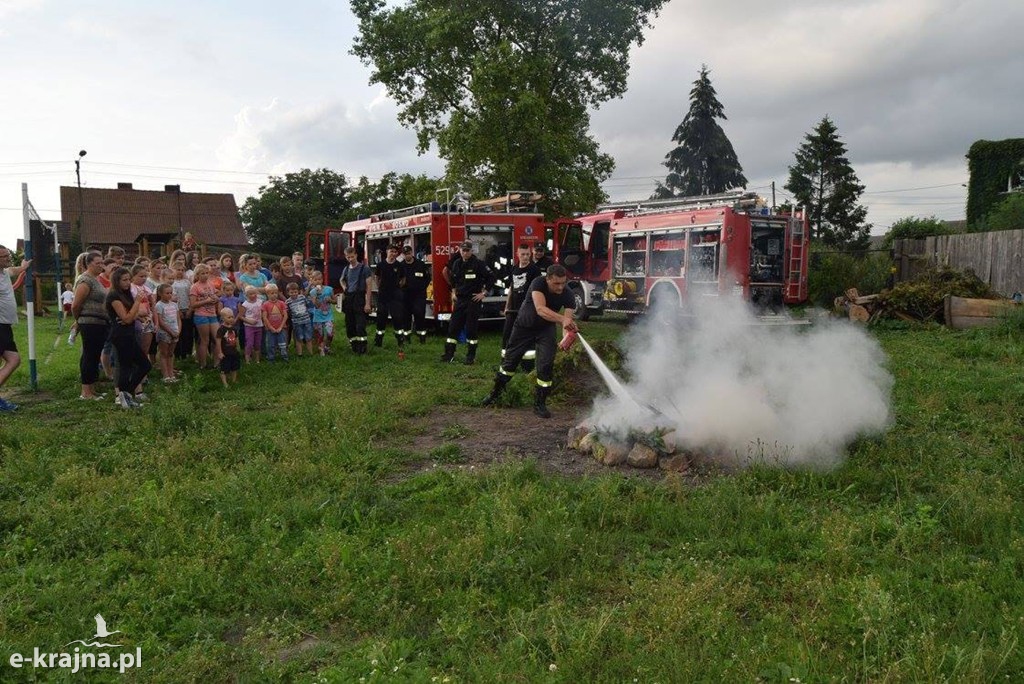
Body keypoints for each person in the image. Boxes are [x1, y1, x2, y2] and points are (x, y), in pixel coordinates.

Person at [483, 264, 577, 419]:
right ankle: (495, 394)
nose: (561, 287)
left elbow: (567, 321)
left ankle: (540, 403)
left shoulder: (568, 294)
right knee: (509, 363)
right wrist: (563, 319)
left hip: (545, 329)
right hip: (524, 326)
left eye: (563, 283)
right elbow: (540, 309)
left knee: (546, 365)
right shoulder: (538, 283)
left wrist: (566, 337)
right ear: (547, 279)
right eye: (556, 283)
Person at [105, 267, 153, 409]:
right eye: (124, 280)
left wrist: (139, 317)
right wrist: (138, 302)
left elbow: (130, 314)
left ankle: (127, 394)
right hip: (120, 335)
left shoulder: (126, 295)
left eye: (128, 280)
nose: (127, 283)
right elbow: (126, 318)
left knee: (144, 365)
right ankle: (125, 396)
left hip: (129, 334)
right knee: (125, 367)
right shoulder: (113, 296)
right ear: (117, 281)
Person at [441, 240, 492, 365]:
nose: (465, 252)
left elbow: (491, 277)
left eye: (467, 250)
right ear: (460, 251)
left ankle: (471, 356)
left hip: (473, 300)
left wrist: (484, 294)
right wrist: (453, 292)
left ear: (471, 251)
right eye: (463, 250)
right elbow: (453, 279)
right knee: (453, 327)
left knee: (471, 329)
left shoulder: (478, 264)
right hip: (460, 300)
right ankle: (449, 354)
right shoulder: (457, 263)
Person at [70, 251, 109, 401]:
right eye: (97, 263)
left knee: (94, 355)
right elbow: (76, 305)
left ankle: (92, 389)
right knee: (89, 355)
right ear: (88, 264)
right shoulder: (85, 280)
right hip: (89, 323)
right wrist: (78, 320)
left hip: (99, 323)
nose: (101, 266)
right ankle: (85, 391)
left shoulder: (96, 279)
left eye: (102, 262)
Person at [0, 245, 31, 411]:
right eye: (3, 256)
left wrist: (24, 265)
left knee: (14, 359)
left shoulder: (5, 272)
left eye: (7, 255)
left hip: (5, 326)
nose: (7, 258)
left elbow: (16, 269)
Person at [502, 242, 542, 365]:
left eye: (527, 254)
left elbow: (538, 291)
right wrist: (507, 306)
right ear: (517, 254)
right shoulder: (514, 269)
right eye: (523, 254)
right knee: (507, 335)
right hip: (513, 308)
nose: (525, 257)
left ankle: (527, 364)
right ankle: (505, 360)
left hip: (528, 309)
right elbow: (511, 289)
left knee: (527, 337)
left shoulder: (534, 270)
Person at [372, 244, 407, 351]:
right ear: (387, 252)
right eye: (391, 251)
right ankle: (378, 341)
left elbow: (403, 278)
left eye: (395, 252)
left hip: (395, 296)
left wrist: (398, 288)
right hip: (383, 296)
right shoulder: (381, 264)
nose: (393, 254)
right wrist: (380, 287)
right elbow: (376, 277)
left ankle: (400, 340)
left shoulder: (399, 265)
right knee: (381, 317)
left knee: (397, 318)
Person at [339, 247, 372, 354]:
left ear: (356, 255)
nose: (350, 259)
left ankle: (362, 346)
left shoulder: (364, 268)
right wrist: (344, 287)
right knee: (349, 323)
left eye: (352, 256)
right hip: (349, 297)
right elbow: (341, 280)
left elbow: (369, 287)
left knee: (360, 324)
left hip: (360, 297)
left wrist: (367, 303)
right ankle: (353, 344)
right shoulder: (346, 269)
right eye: (348, 257)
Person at [189, 264, 220, 370]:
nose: (205, 275)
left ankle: (217, 363)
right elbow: (193, 304)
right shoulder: (195, 287)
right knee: (205, 340)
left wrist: (215, 299)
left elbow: (215, 295)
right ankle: (203, 364)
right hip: (201, 315)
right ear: (197, 275)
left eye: (207, 273)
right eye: (203, 273)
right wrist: (206, 301)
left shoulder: (211, 284)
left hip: (212, 314)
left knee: (217, 338)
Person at [400, 244, 430, 344]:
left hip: (419, 296)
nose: (407, 256)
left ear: (412, 253)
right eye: (405, 254)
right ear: (403, 255)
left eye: (408, 253)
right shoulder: (400, 266)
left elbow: (427, 278)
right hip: (405, 296)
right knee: (405, 317)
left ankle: (422, 338)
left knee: (420, 315)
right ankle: (406, 338)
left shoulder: (420, 264)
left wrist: (422, 288)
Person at [153, 284, 181, 383]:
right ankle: (166, 375)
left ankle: (171, 374)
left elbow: (178, 318)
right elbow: (160, 321)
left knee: (170, 353)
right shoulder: (159, 305)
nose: (169, 295)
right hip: (164, 333)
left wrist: (178, 330)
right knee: (164, 353)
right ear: (160, 294)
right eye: (167, 293)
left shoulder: (174, 304)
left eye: (171, 293)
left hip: (175, 331)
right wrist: (170, 331)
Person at [307, 270, 335, 356]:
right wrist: (317, 297)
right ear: (312, 281)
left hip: (328, 316)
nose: (318, 281)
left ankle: (327, 347)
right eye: (315, 280)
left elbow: (335, 301)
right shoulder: (312, 292)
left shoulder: (329, 289)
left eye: (319, 279)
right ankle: (321, 349)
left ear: (322, 279)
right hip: (318, 316)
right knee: (320, 334)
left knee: (330, 333)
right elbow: (316, 306)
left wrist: (330, 300)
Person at [285, 282, 314, 357]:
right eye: (291, 292)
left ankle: (310, 354)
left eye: (295, 292)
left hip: (306, 321)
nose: (294, 294)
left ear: (298, 291)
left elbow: (308, 305)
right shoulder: (288, 302)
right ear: (288, 293)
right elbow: (287, 312)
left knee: (309, 337)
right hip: (297, 323)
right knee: (299, 338)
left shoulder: (302, 297)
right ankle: (300, 354)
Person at [171, 264, 194, 361]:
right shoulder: (172, 282)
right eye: (178, 269)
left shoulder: (187, 282)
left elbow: (190, 296)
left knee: (187, 332)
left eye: (182, 270)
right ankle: (177, 353)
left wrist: (190, 309)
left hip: (187, 308)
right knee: (178, 332)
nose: (180, 271)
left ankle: (187, 353)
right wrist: (178, 310)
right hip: (177, 309)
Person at [261, 284, 289, 362]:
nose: (274, 295)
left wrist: (281, 327)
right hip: (270, 329)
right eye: (271, 293)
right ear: (267, 294)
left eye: (275, 293)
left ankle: (285, 357)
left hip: (281, 328)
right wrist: (271, 328)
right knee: (270, 345)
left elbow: (285, 316)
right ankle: (271, 358)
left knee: (283, 344)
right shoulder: (265, 304)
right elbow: (264, 317)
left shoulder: (281, 303)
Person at [215, 307, 241, 387]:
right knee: (224, 368)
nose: (231, 319)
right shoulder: (221, 329)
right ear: (222, 318)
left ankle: (233, 380)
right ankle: (225, 383)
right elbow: (218, 341)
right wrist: (219, 352)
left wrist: (238, 347)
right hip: (225, 353)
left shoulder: (234, 328)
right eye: (229, 317)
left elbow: (236, 338)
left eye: (232, 317)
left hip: (233, 351)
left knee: (234, 367)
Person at [240, 286, 263, 363]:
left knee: (258, 343)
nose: (253, 295)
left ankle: (257, 359)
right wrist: (249, 321)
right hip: (249, 326)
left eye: (254, 293)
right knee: (249, 343)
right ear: (246, 295)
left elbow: (263, 312)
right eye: (251, 294)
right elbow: (241, 316)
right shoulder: (245, 304)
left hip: (259, 325)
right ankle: (247, 360)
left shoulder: (260, 302)